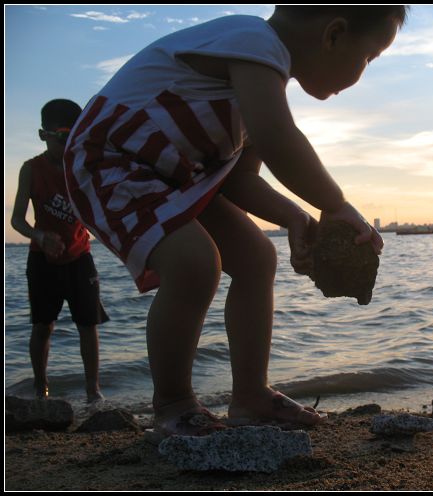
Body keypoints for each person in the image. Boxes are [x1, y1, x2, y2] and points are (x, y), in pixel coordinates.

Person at [64, 6, 407, 436]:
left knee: (257, 257)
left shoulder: (260, 82)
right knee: (194, 262)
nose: (364, 70)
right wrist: (334, 203)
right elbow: (277, 139)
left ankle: (251, 395)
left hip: (177, 178)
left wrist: (294, 216)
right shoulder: (252, 40)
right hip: (111, 161)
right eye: (369, 57)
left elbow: (240, 179)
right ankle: (173, 403)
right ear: (333, 35)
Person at [11, 99, 109, 403]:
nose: (68, 145)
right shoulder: (31, 169)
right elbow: (17, 220)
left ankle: (93, 391)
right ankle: (41, 389)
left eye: (74, 136)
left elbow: (99, 211)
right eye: (62, 136)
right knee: (43, 325)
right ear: (44, 135)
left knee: (88, 325)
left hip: (80, 257)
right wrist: (39, 236)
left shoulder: (81, 167)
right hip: (42, 259)